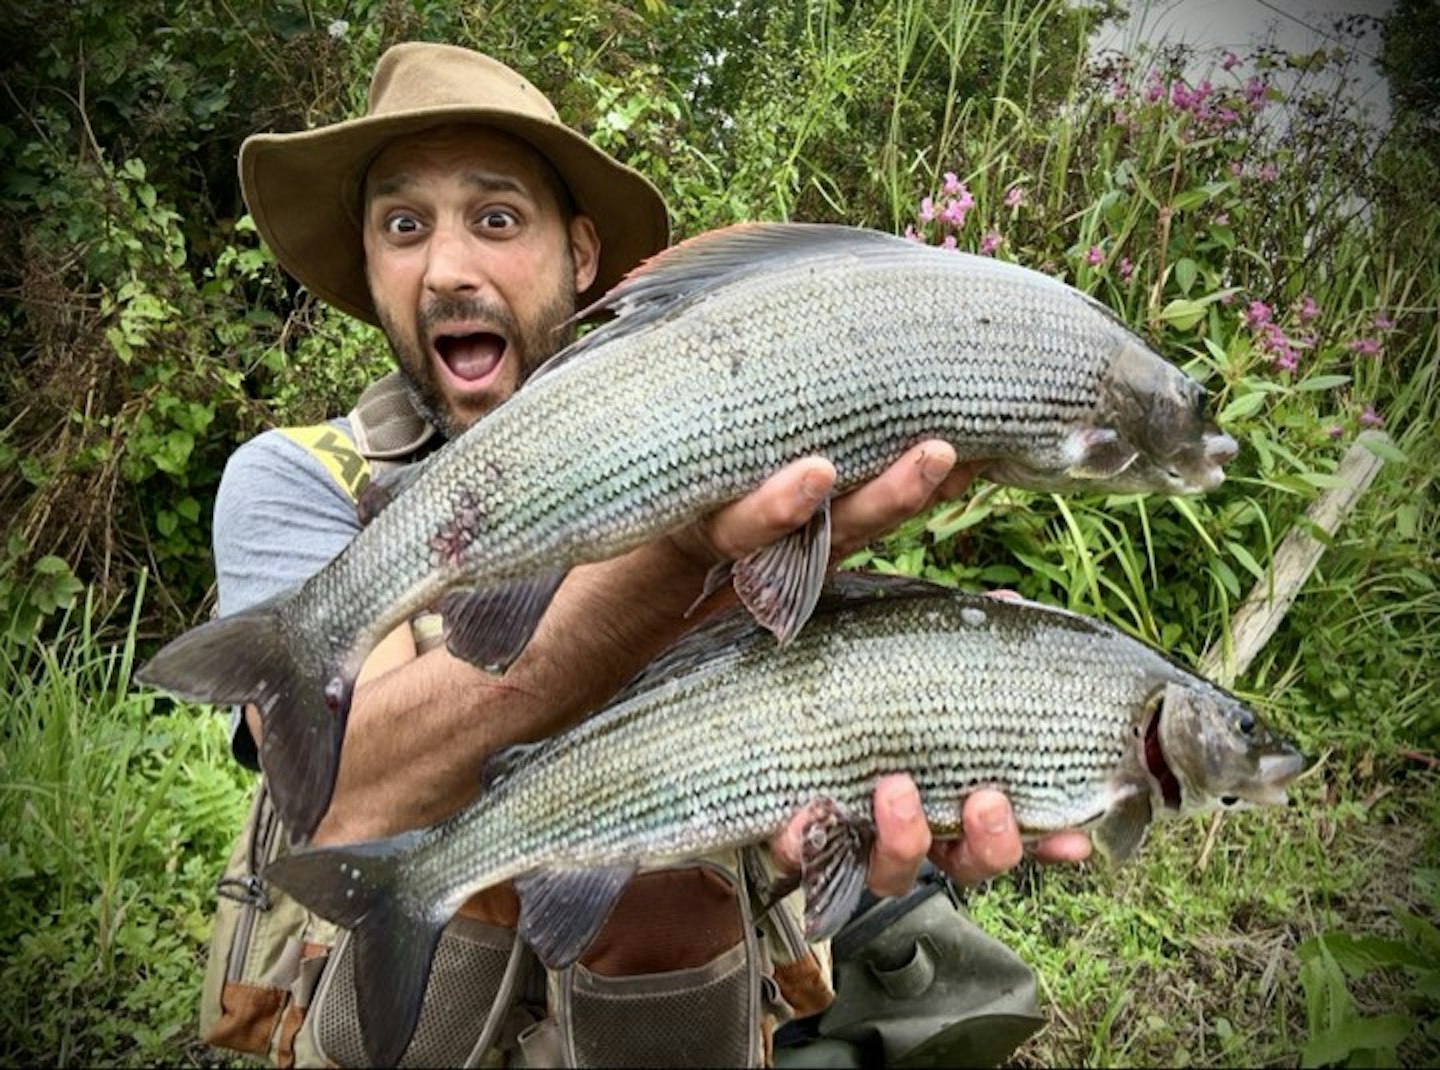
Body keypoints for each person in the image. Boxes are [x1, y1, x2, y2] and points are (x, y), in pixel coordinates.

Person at [201, 41, 1090, 1068]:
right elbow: (353, 797)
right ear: (369, 263)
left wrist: (917, 759)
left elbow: (810, 727)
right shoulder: (295, 479)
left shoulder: (748, 446)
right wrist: (678, 565)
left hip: (674, 1011)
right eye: (404, 227)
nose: (446, 267)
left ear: (581, 256)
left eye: (496, 219)